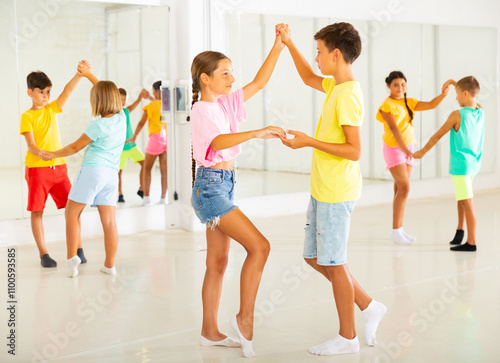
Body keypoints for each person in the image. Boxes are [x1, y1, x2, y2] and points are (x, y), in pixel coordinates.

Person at [278, 22, 386, 356]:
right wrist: (289, 44)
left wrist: (309, 142)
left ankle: (348, 337)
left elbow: (355, 151)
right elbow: (308, 77)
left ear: (335, 54)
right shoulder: (334, 86)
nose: (316, 57)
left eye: (320, 51)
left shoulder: (349, 95)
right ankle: (368, 305)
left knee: (335, 264)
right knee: (315, 258)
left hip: (337, 193)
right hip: (322, 189)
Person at [190, 30, 286, 358]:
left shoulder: (224, 103)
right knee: (260, 247)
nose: (232, 78)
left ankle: (209, 332)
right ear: (205, 79)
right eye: (225, 73)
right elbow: (216, 143)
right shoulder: (203, 109)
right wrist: (258, 132)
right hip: (211, 188)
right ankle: (244, 320)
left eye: (231, 71)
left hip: (223, 185)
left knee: (217, 262)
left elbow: (259, 82)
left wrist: (278, 44)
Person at [40, 74, 126, 278]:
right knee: (110, 223)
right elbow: (107, 91)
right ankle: (109, 265)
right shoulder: (121, 118)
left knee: (72, 213)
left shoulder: (97, 125)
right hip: (112, 176)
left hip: (93, 171)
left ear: (97, 101)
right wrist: (88, 75)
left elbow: (74, 147)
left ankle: (72, 260)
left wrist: (52, 154)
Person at [20, 61, 93, 268]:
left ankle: (78, 248)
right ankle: (44, 254)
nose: (46, 96)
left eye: (48, 92)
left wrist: (79, 75)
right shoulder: (27, 116)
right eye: (41, 92)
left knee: (74, 208)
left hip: (59, 169)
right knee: (37, 211)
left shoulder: (52, 109)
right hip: (37, 170)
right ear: (30, 93)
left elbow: (67, 92)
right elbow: (31, 145)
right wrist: (42, 153)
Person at [376, 71, 449, 244]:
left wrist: (443, 95)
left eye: (403, 84)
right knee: (405, 188)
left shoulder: (409, 102)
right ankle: (396, 230)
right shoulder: (386, 105)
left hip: (407, 148)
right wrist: (405, 150)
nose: (400, 88)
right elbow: (394, 129)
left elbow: (431, 104)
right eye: (396, 85)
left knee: (400, 189)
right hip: (395, 149)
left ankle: (398, 230)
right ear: (388, 86)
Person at [414, 77, 484, 252]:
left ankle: (472, 242)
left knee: (467, 202)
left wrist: (422, 152)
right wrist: (455, 83)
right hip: (474, 165)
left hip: (461, 166)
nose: (455, 98)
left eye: (457, 94)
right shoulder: (480, 112)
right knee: (462, 198)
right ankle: (460, 230)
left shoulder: (457, 115)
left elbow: (437, 135)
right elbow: (474, 97)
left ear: (465, 93)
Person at [126, 81, 167, 205]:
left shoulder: (151, 106)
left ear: (157, 91)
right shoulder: (166, 104)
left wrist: (133, 137)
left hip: (155, 139)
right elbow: (157, 103)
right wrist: (150, 98)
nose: (153, 93)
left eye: (153, 91)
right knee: (164, 171)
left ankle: (146, 198)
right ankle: (163, 198)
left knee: (146, 168)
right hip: (165, 138)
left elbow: (141, 123)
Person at [117, 88, 147, 203]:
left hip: (132, 146)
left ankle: (141, 188)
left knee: (145, 164)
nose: (123, 101)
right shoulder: (113, 114)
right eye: (120, 99)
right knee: (119, 172)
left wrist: (140, 97)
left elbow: (134, 105)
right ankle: (120, 194)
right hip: (122, 149)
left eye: (124, 99)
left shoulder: (126, 111)